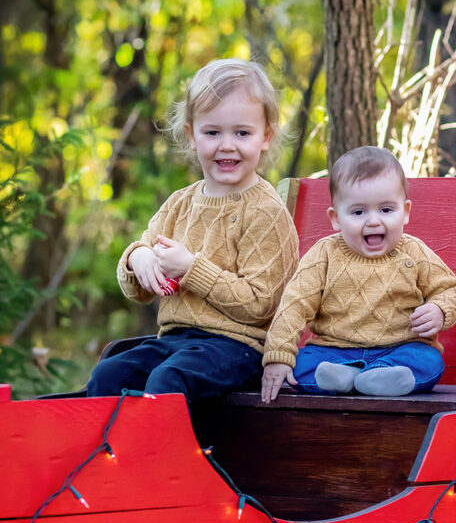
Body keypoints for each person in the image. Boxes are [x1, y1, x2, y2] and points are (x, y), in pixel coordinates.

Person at [86, 58, 299, 404]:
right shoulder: (179, 204)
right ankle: (109, 441)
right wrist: (139, 259)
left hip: (240, 347)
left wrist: (191, 269)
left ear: (266, 137)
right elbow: (137, 287)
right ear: (192, 136)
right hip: (174, 341)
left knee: (169, 378)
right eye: (212, 132)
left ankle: (161, 441)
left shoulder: (266, 212)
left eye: (242, 133)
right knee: (109, 374)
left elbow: (261, 305)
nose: (226, 145)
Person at [261, 145, 456, 402]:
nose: (373, 221)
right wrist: (278, 355)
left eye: (386, 210)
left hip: (399, 350)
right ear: (336, 218)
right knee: (301, 362)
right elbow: (294, 305)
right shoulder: (324, 254)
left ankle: (377, 376)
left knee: (429, 361)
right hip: (335, 351)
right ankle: (348, 376)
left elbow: (450, 289)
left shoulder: (414, 252)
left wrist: (440, 310)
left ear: (405, 212)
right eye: (358, 212)